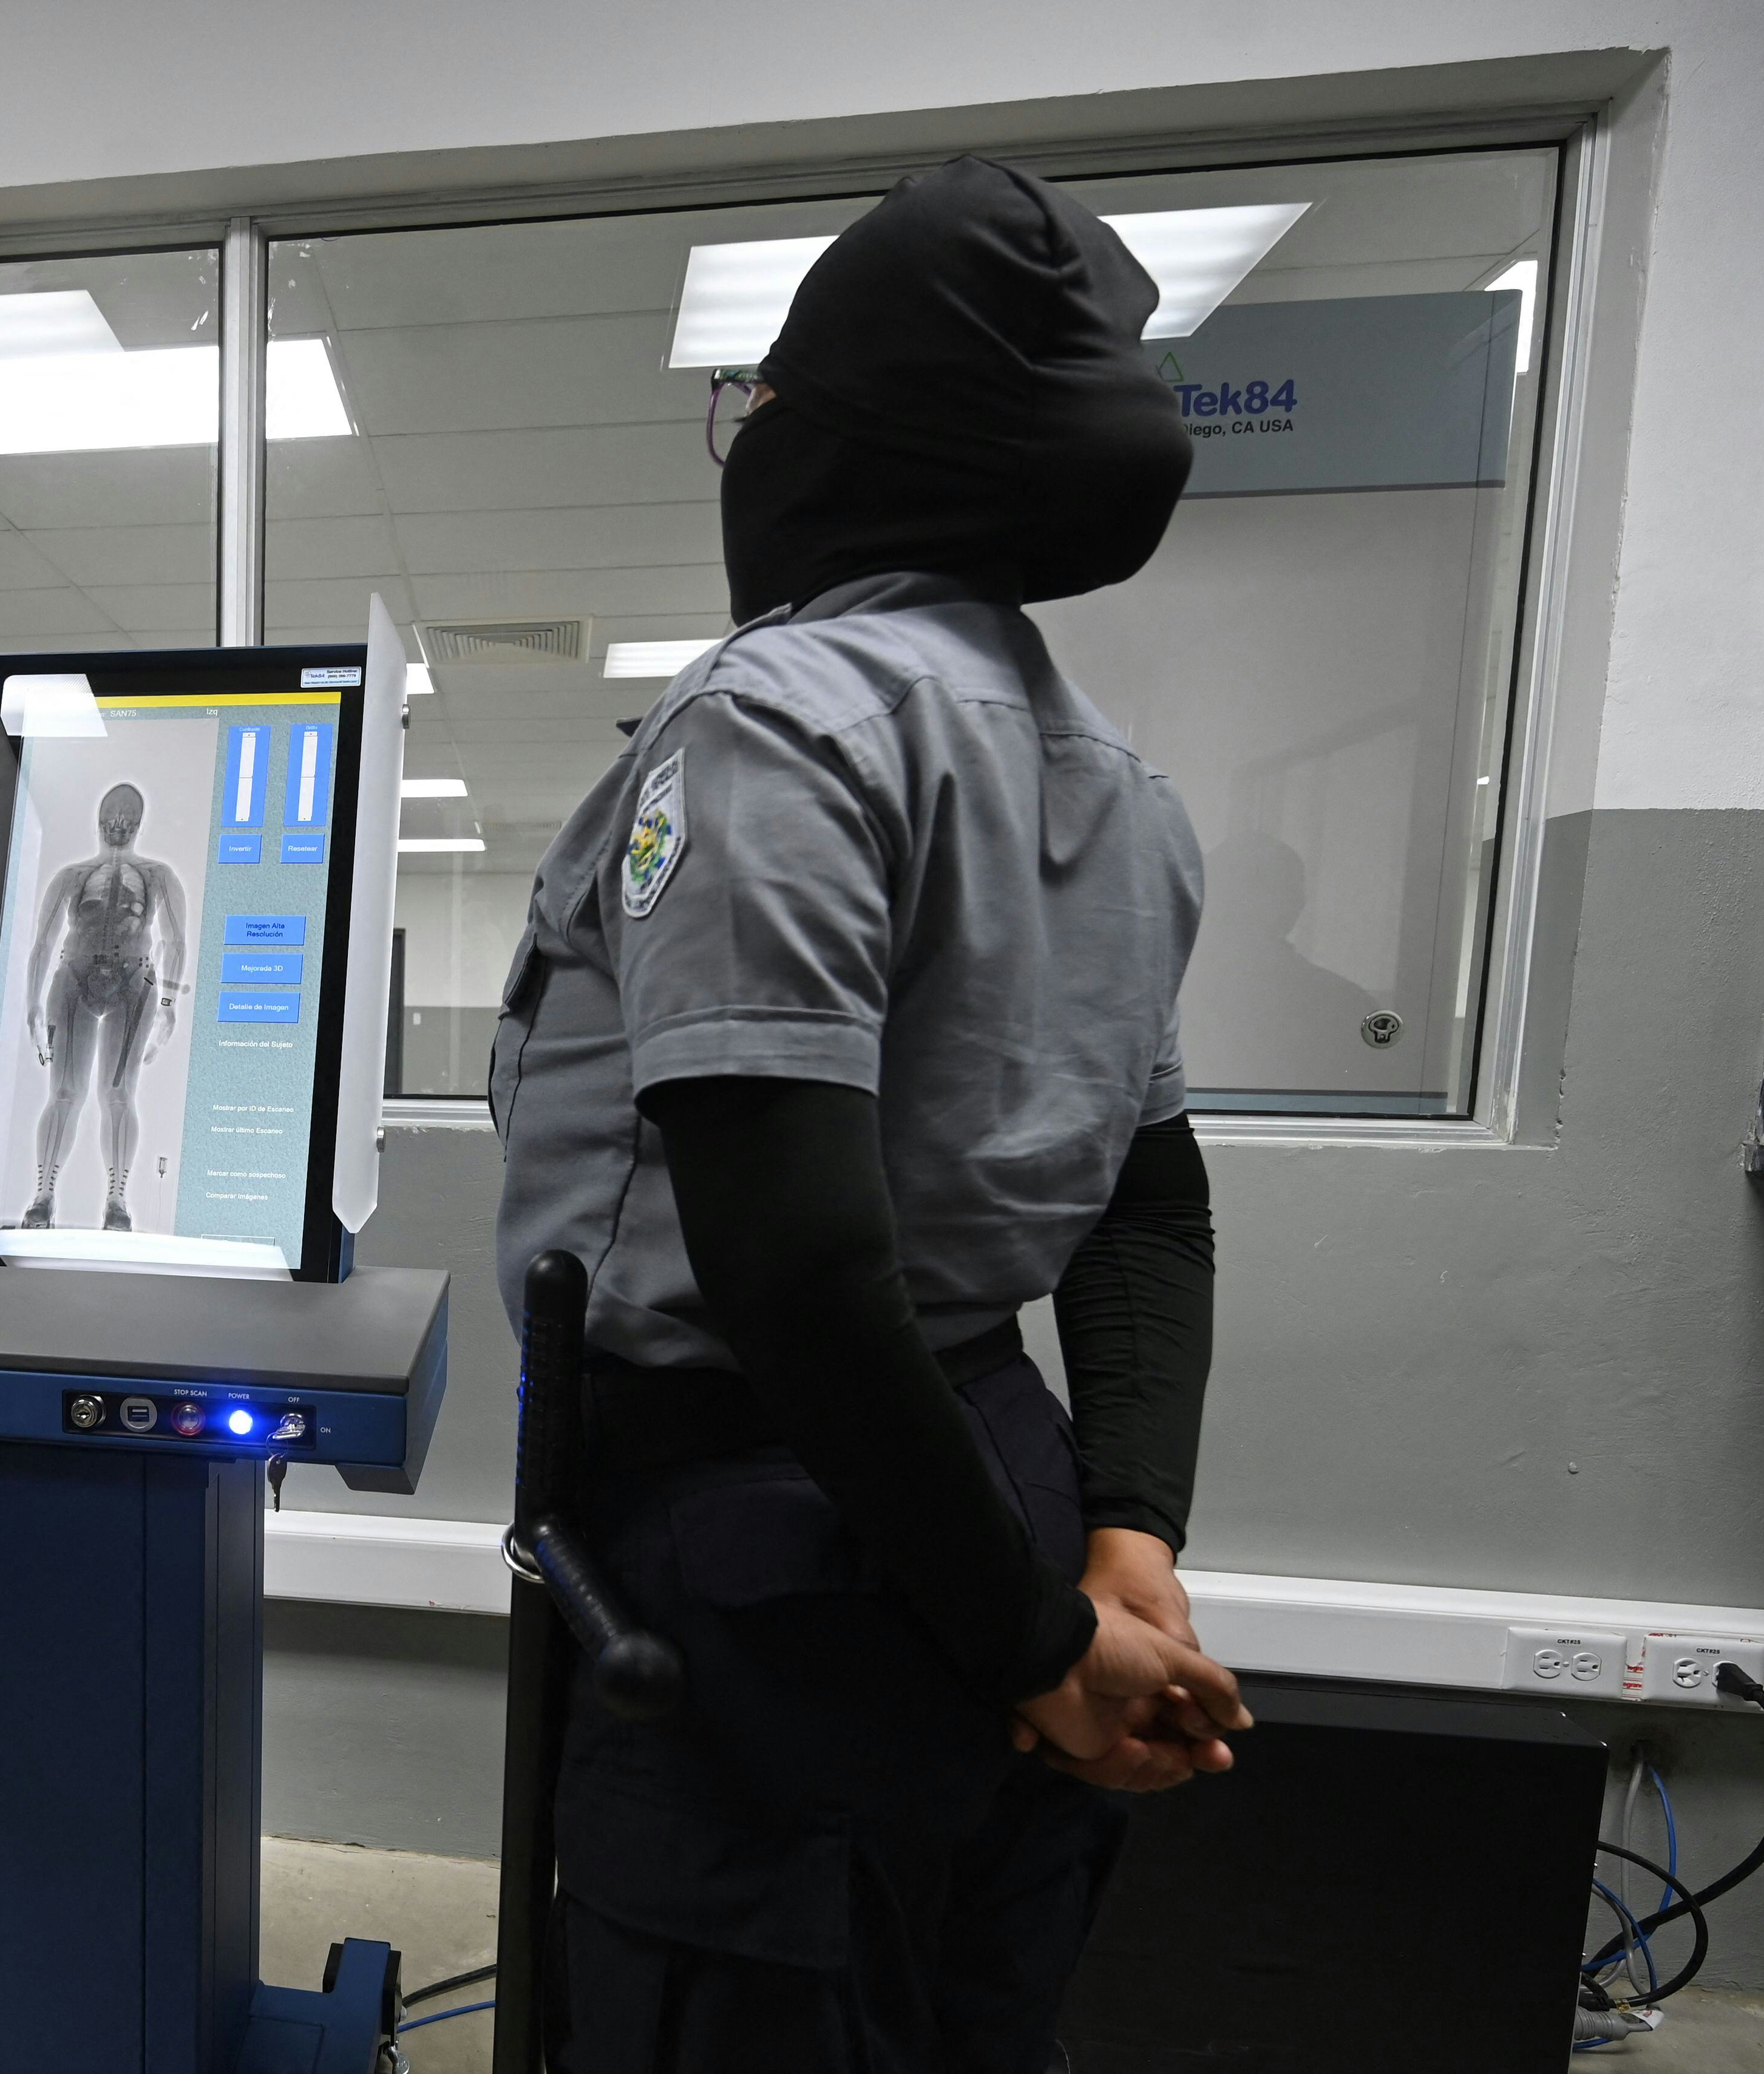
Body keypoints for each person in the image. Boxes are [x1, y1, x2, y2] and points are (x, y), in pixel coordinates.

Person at [491, 158, 1250, 2074]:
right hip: (988, 1460)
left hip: (774, 1520)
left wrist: (1035, 1646)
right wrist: (1119, 1545)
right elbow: (1146, 1212)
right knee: (956, 1999)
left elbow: (787, 1254)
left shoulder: (776, 723)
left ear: (831, 432)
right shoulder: (1119, 787)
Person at [21, 782, 189, 1231]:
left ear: (137, 825)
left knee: (117, 1095)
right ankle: (44, 1194)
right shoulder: (72, 876)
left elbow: (175, 939)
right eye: (111, 820)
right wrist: (32, 1002)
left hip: (134, 982)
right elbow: (43, 942)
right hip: (74, 978)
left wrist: (169, 1001)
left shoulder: (158, 875)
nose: (117, 827)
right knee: (64, 1094)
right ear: (99, 822)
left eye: (126, 821)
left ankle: (117, 1199)